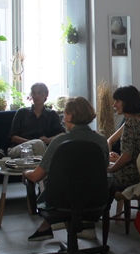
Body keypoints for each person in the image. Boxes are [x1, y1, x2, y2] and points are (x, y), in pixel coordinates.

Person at [22, 96, 109, 242]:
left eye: (65, 113)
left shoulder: (59, 141)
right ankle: (54, 229)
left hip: (61, 200)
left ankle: (51, 229)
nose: (63, 118)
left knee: (62, 187)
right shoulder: (101, 141)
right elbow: (103, 171)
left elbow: (36, 176)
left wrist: (25, 173)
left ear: (70, 116)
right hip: (95, 199)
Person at [107, 85, 140, 192]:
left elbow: (127, 157)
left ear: (127, 102)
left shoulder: (130, 123)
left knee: (98, 177)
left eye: (117, 101)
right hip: (139, 172)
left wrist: (110, 169)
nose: (114, 105)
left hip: (130, 175)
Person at [8, 82, 64, 157]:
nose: (36, 96)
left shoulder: (52, 115)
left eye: (39, 93)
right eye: (34, 93)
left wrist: (48, 140)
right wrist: (31, 142)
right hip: (20, 147)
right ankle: (44, 164)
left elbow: (62, 134)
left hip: (43, 148)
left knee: (39, 146)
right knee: (37, 144)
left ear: (46, 94)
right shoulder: (22, 113)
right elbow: (13, 137)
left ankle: (39, 163)